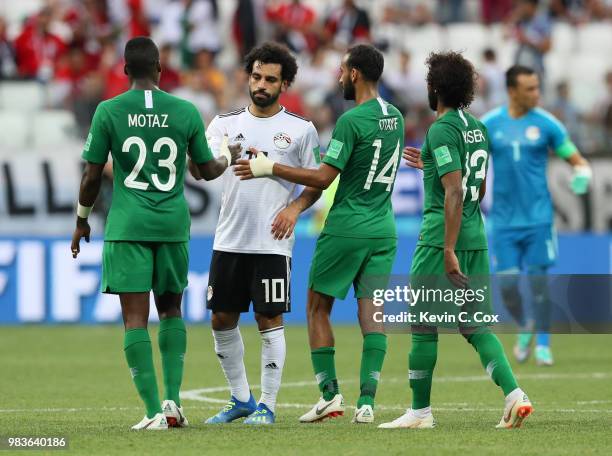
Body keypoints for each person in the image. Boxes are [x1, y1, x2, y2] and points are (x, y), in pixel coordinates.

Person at [70, 36, 238, 431]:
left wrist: (81, 220)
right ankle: (173, 403)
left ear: (125, 71)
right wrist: (228, 155)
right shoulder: (185, 110)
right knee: (171, 311)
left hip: (128, 226)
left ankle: (150, 413)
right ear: (161, 69)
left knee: (134, 319)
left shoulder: (108, 110)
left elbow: (92, 174)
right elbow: (207, 170)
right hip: (172, 225)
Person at [235, 44, 404, 424]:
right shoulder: (395, 115)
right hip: (383, 228)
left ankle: (330, 395)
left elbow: (325, 177)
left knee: (316, 307)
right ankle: (367, 402)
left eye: (343, 70)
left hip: (347, 227)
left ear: (356, 74)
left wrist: (270, 167)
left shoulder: (351, 120)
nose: (339, 77)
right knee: (373, 311)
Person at [386, 51, 532, 429]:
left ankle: (420, 412)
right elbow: (478, 186)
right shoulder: (478, 127)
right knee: (475, 323)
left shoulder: (441, 128)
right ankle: (515, 395)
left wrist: (448, 248)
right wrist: (432, 165)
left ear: (433, 88)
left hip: (440, 241)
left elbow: (455, 190)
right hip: (476, 237)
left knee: (422, 324)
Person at [194, 42, 322, 425]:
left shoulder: (300, 130)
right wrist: (220, 157)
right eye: (256, 76)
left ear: (284, 85)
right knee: (221, 319)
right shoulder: (223, 124)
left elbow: (318, 180)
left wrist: (295, 208)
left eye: (270, 79)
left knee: (268, 319)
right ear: (248, 77)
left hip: (272, 240)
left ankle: (267, 404)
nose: (261, 84)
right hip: (229, 238)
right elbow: (202, 170)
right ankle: (241, 398)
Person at [480, 65, 591, 366]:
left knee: (540, 284)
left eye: (537, 87)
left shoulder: (548, 124)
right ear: (512, 91)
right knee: (507, 286)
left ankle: (543, 343)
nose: (536, 94)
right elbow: (470, 162)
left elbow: (578, 161)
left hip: (539, 220)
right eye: (529, 89)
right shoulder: (489, 124)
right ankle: (525, 323)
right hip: (503, 222)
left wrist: (582, 174)